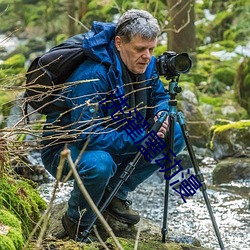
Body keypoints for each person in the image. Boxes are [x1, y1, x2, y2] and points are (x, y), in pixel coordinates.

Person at [41, 9, 185, 241]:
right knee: (100, 164)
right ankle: (76, 221)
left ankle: (115, 193)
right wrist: (142, 138)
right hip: (66, 149)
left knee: (174, 132)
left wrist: (161, 114)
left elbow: (159, 96)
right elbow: (86, 135)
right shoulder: (92, 75)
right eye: (140, 49)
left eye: (151, 49)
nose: (147, 56)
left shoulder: (145, 64)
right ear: (119, 43)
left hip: (116, 134)